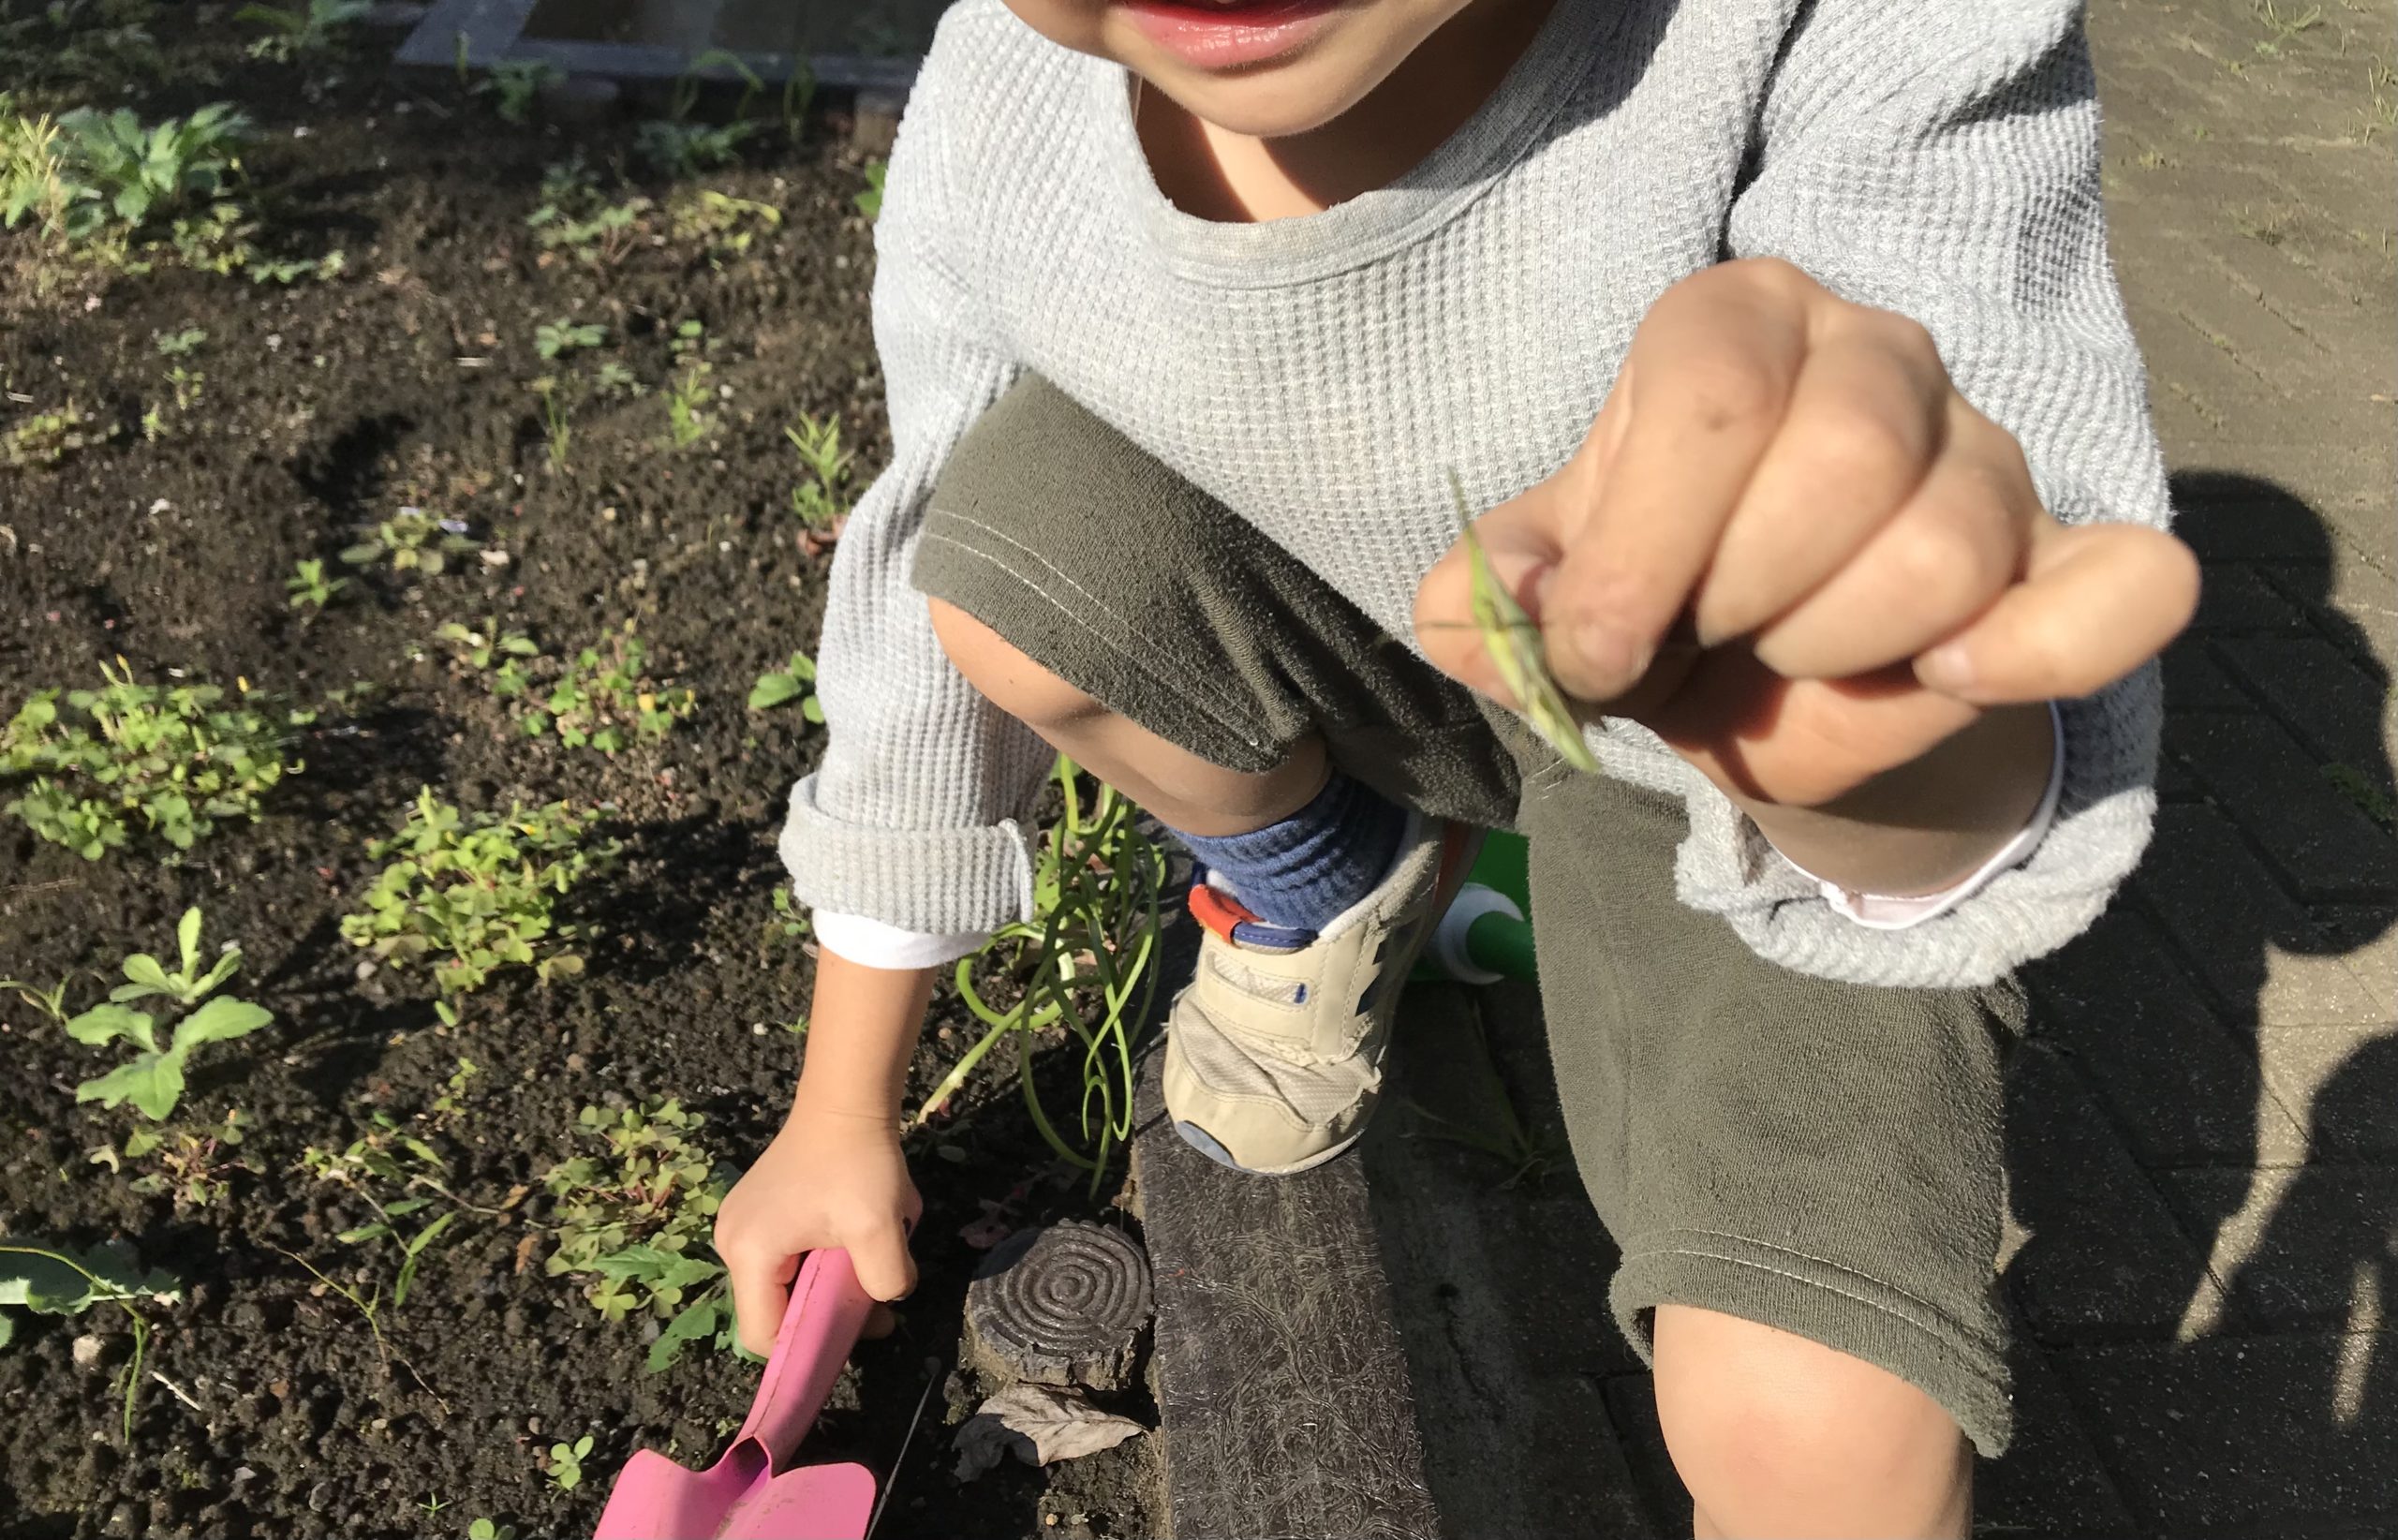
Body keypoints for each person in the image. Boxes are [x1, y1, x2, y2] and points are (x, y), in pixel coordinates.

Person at [714, 0, 2199, 1530]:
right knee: (1002, 545)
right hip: (1380, 655)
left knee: (1819, 1428)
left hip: (1727, 791)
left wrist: (1871, 747)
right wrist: (841, 1105)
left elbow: (1963, 580)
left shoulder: (1854, 36)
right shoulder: (1005, 91)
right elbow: (909, 580)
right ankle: (1343, 877)